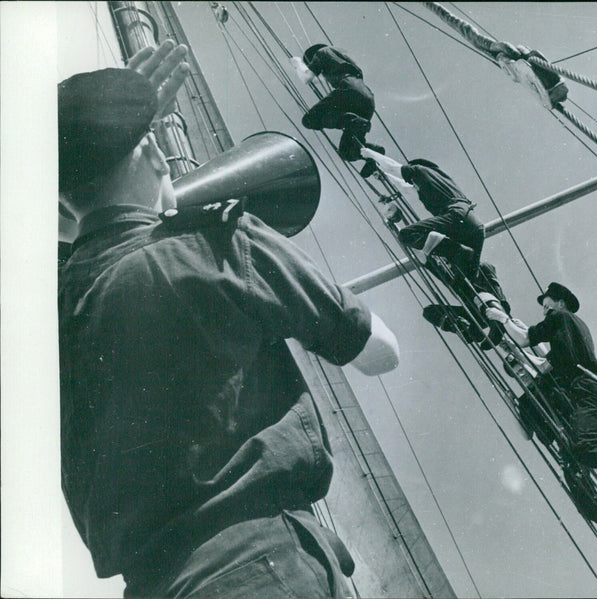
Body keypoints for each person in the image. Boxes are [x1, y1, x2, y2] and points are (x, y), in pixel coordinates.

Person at [59, 41, 400, 599]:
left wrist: (100, 123)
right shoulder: (217, 242)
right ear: (155, 156)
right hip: (262, 567)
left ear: (66, 205)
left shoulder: (50, 312)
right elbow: (380, 352)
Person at [483, 282, 597, 522]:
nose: (544, 309)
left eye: (546, 304)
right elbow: (542, 364)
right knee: (590, 448)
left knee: (583, 447)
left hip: (588, 390)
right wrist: (514, 345)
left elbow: (527, 339)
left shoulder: (560, 317)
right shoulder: (569, 334)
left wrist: (503, 320)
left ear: (560, 302)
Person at [360, 151, 484, 281]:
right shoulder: (441, 181)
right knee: (469, 280)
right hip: (475, 226)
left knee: (406, 235)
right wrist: (382, 175)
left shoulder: (419, 170)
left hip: (457, 216)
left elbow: (393, 167)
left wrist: (368, 154)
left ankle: (458, 252)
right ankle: (494, 297)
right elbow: (405, 188)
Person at [291, 43, 384, 162]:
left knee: (309, 120)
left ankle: (351, 121)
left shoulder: (321, 52)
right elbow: (316, 80)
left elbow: (307, 78)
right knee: (346, 152)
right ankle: (373, 154)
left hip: (349, 90)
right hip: (366, 99)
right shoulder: (344, 62)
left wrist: (297, 63)